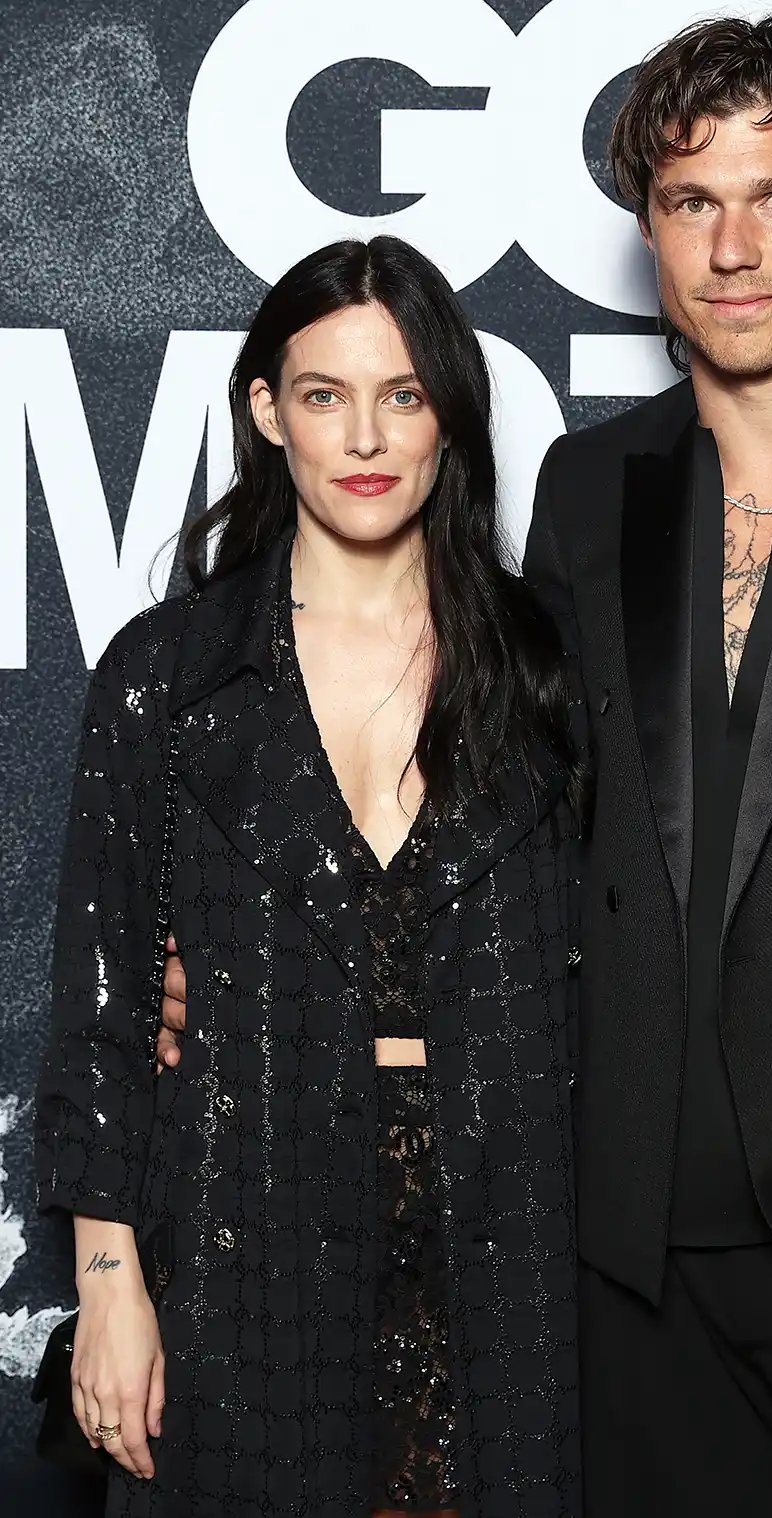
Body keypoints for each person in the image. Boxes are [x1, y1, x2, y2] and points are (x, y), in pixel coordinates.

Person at [155, 14, 772, 1516]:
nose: (734, 246)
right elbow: (516, 827)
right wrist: (248, 974)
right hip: (634, 1267)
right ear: (649, 230)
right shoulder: (594, 485)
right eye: (692, 202)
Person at [35, 235, 583, 1518]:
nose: (366, 435)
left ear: (449, 412)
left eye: (403, 393)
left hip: (511, 1249)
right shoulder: (164, 679)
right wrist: (110, 1288)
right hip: (243, 1242)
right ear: (268, 412)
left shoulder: (547, 670)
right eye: (325, 394)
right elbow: (102, 1008)